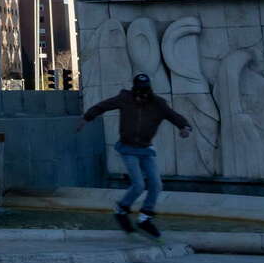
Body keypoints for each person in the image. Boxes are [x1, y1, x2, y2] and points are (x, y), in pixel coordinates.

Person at [77, 73, 193, 237]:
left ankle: (145, 217)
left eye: (144, 93)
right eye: (139, 93)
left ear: (149, 90)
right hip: (127, 148)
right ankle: (121, 209)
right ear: (134, 90)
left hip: (146, 149)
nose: (141, 97)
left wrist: (185, 127)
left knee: (156, 184)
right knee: (138, 184)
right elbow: (103, 105)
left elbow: (173, 116)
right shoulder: (125, 98)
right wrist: (87, 118)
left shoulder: (158, 104)